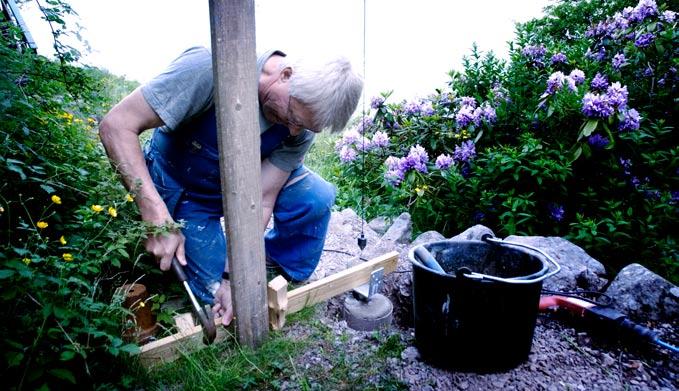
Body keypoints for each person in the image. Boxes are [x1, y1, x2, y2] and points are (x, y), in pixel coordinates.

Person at [99, 46, 363, 326]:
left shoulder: (300, 125)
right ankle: (197, 237)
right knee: (214, 296)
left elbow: (261, 198)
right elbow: (116, 126)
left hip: (240, 185)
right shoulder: (208, 69)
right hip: (186, 187)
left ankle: (275, 263)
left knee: (315, 196)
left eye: (305, 127)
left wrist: (232, 276)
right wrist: (155, 218)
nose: (294, 131)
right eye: (293, 118)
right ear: (286, 75)